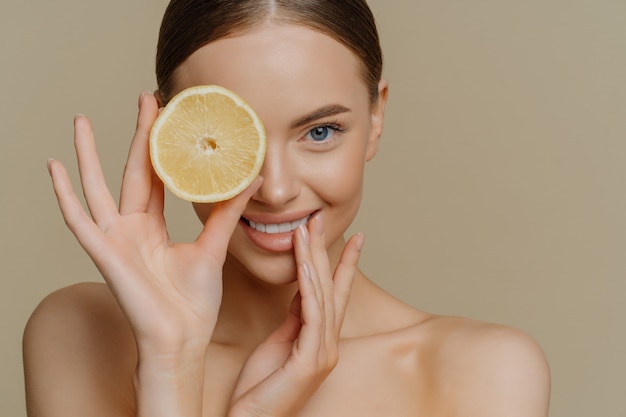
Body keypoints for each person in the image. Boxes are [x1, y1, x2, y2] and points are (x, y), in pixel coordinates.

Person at [23, 1, 551, 416]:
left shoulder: (484, 370)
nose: (273, 190)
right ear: (171, 132)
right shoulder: (77, 335)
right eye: (233, 138)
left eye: (320, 132)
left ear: (377, 117)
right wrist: (170, 366)